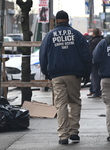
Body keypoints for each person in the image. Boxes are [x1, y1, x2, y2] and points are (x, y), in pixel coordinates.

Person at [39, 10, 92, 145]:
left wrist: (47, 72)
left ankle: (63, 135)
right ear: (68, 20)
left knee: (60, 104)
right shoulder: (77, 35)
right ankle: (74, 132)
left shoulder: (50, 36)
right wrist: (87, 72)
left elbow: (43, 55)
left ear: (56, 20)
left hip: (56, 74)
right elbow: (86, 54)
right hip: (74, 74)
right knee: (74, 101)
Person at [87, 28, 103, 98]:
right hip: (102, 62)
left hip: (94, 62)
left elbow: (90, 53)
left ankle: (95, 91)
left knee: (95, 77)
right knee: (99, 77)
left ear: (93, 34)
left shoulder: (93, 42)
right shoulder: (102, 41)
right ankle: (96, 90)